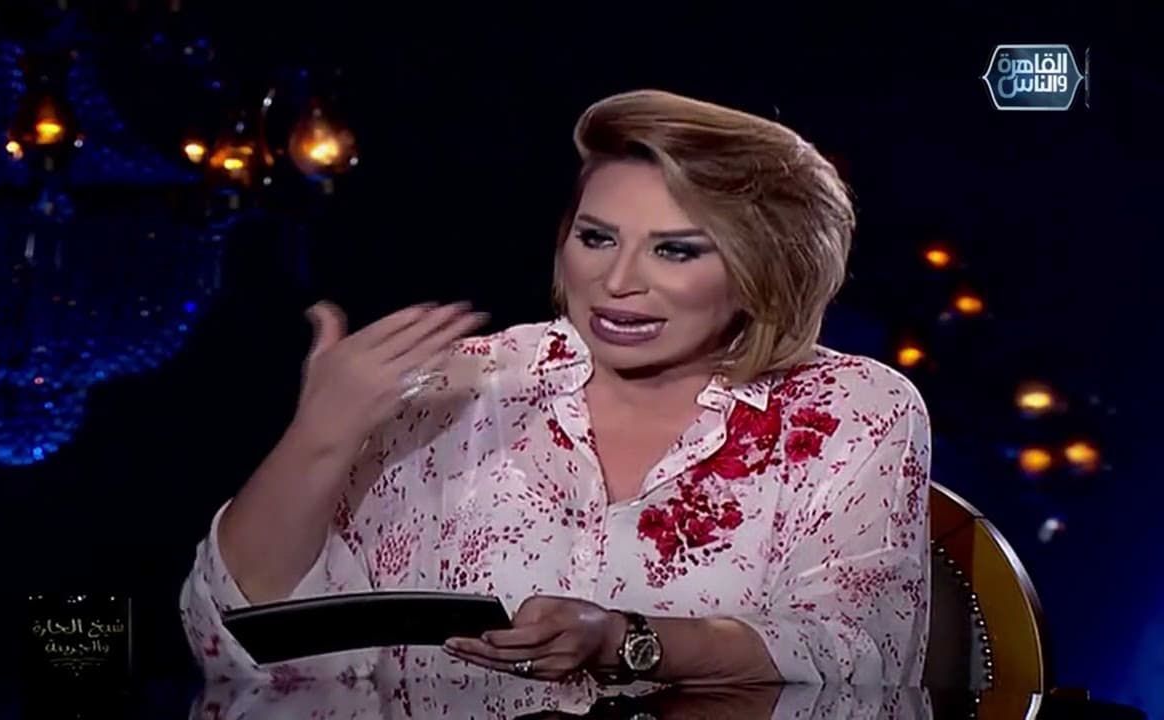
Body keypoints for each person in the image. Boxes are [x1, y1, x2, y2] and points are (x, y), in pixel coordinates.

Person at [180, 89, 931, 700]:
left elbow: (864, 657)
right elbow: (250, 653)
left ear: (766, 267)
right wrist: (319, 436)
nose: (617, 280)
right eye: (596, 238)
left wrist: (628, 640)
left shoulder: (854, 410)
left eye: (674, 250)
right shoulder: (465, 386)